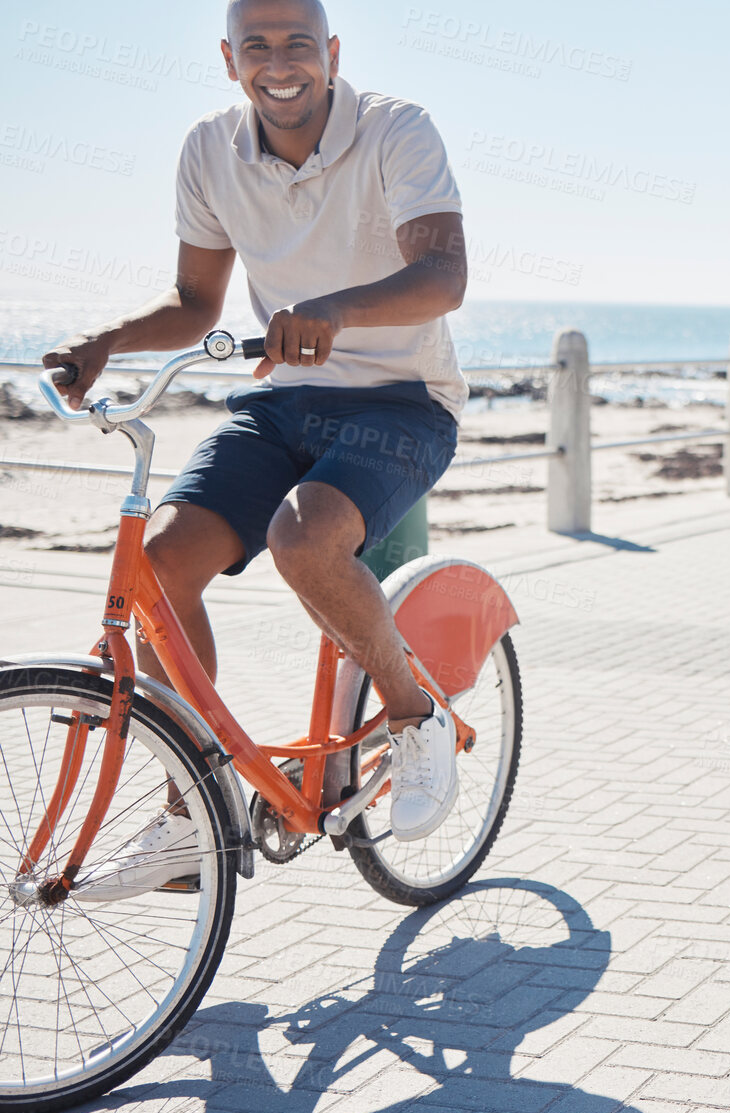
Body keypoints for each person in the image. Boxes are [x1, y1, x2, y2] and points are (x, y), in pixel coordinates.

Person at [42, 0, 470, 897]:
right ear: (229, 58)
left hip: (401, 400)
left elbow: (443, 274)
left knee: (303, 540)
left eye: (299, 44)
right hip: (284, 398)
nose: (280, 64)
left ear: (333, 53)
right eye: (259, 47)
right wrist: (104, 341)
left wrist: (337, 310)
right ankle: (191, 807)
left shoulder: (396, 129)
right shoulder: (209, 148)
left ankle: (412, 712)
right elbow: (196, 303)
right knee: (157, 568)